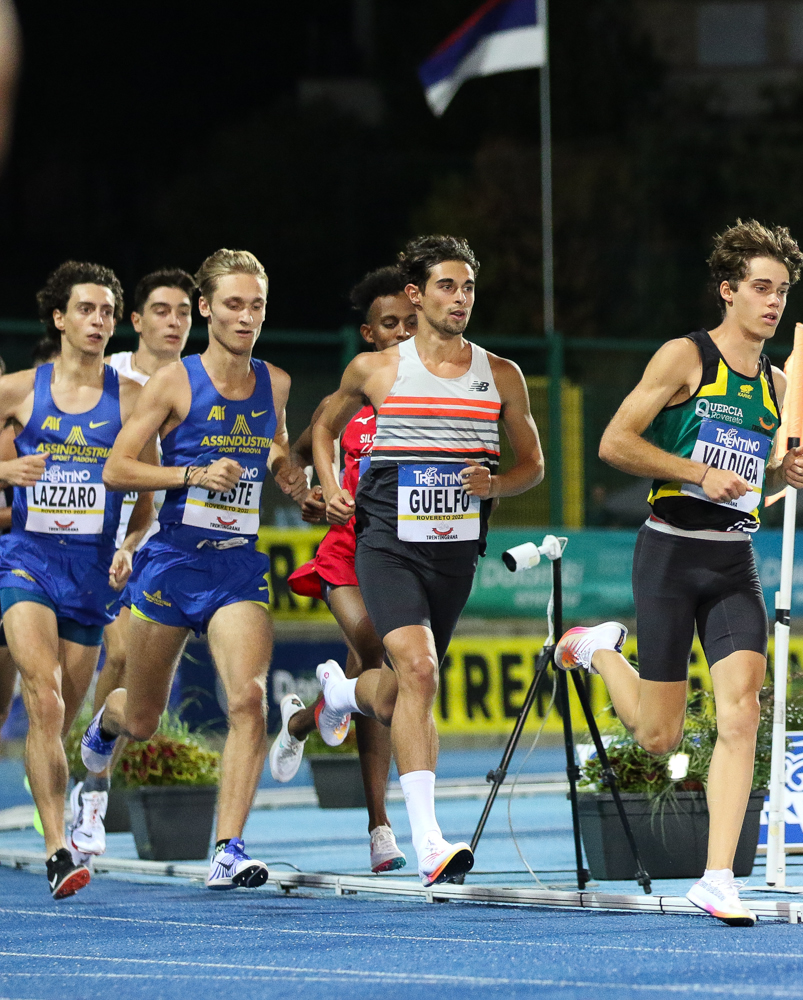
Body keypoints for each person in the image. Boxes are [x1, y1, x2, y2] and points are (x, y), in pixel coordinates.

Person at [554, 219, 803, 927]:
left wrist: (783, 473)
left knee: (743, 713)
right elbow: (615, 442)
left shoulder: (777, 382)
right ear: (728, 291)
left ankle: (718, 877)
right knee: (658, 737)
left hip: (734, 561)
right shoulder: (686, 357)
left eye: (782, 291)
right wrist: (697, 472)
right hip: (670, 555)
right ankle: (598, 650)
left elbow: (754, 472)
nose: (773, 302)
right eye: (760, 288)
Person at [306, 235, 544, 888]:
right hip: (387, 544)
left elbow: (533, 465)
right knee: (418, 667)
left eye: (468, 287)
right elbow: (323, 427)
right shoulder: (377, 369)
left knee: (408, 688)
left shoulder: (501, 375)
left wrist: (495, 485)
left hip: (456, 551)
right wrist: (328, 486)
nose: (460, 298)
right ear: (415, 294)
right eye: (446, 286)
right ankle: (429, 842)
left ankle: (341, 693)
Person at [78, 249, 306, 891]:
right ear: (206, 308)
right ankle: (105, 724)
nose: (246, 317)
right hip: (173, 561)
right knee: (142, 720)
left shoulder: (276, 382)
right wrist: (193, 475)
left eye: (256, 305)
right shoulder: (173, 382)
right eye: (233, 304)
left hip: (236, 567)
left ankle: (228, 849)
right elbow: (116, 469)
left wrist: (289, 475)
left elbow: (274, 442)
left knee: (248, 699)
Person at [0, 261, 157, 898]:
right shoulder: (17, 390)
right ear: (59, 317)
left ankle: (53, 796)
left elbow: (144, 500)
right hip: (27, 561)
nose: (98, 321)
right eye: (85, 309)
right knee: (43, 698)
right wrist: (4, 472)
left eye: (107, 312)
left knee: (59, 718)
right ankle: (56, 850)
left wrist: (129, 546)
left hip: (91, 574)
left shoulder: (134, 399)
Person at [266, 266, 418, 873]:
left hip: (411, 555)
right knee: (378, 650)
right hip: (347, 553)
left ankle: (309, 716)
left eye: (411, 322)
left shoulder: (443, 393)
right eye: (390, 324)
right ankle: (382, 826)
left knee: (374, 679)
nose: (402, 332)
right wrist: (306, 490)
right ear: (369, 334)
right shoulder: (347, 401)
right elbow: (301, 452)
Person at [96, 269, 196, 708]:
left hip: (163, 544)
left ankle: (100, 748)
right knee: (118, 653)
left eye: (183, 312)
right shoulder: (107, 375)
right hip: (98, 538)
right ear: (136, 320)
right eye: (161, 311)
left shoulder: (200, 383)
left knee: (137, 668)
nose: (174, 321)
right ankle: (84, 748)